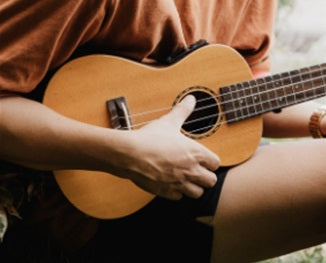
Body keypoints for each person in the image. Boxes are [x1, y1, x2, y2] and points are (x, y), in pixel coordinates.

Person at [0, 0, 326, 262]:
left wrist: (318, 120)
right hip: (83, 211)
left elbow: (239, 95)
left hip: (187, 175)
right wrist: (127, 153)